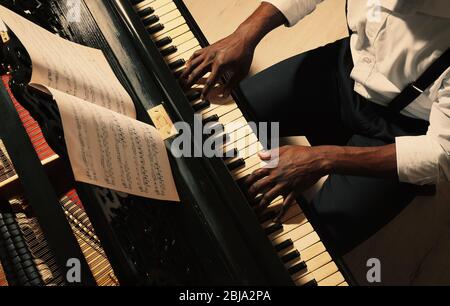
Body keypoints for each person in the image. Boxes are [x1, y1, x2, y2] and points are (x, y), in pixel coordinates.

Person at [180, 0, 450, 255]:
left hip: (406, 130)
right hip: (343, 69)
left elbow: (440, 153)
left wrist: (324, 158)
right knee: (206, 132)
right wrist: (246, 34)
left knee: (304, 245)